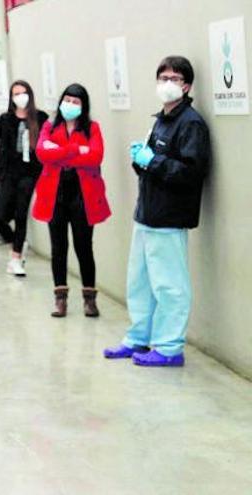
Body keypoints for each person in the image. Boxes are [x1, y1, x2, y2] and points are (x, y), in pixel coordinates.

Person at [104, 56, 210, 367]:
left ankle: (169, 347)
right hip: (147, 213)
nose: (167, 83)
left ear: (186, 85)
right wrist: (141, 160)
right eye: (162, 77)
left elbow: (190, 173)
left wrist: (153, 161)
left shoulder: (191, 123)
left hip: (170, 217)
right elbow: (151, 168)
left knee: (170, 285)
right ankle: (139, 337)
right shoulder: (161, 119)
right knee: (140, 281)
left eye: (174, 78)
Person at [32, 83, 110, 318]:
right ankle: (60, 299)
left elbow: (96, 156)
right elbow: (42, 153)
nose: (71, 105)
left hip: (83, 195)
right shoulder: (49, 125)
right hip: (55, 194)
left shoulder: (92, 128)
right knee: (58, 247)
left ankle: (90, 299)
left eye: (76, 102)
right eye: (67, 100)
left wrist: (61, 152)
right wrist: (76, 150)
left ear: (83, 106)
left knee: (84, 246)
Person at [0, 80, 49, 276]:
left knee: (21, 214)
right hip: (8, 173)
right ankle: (17, 243)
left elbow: (48, 144)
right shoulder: (5, 119)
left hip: (30, 174)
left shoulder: (40, 117)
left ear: (29, 94)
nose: (20, 96)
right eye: (16, 93)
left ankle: (15, 259)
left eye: (23, 92)